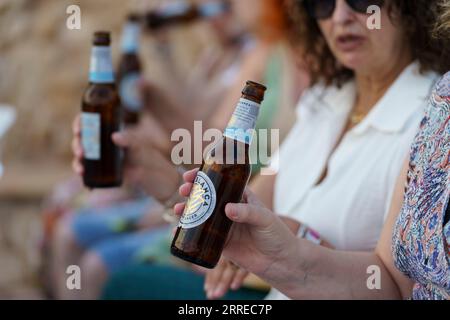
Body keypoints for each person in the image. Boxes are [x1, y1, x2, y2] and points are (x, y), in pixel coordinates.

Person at [100, 0, 449, 300]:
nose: (340, 16)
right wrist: (152, 175)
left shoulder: (430, 121)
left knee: (123, 283)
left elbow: (394, 286)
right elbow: (238, 208)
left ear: (411, 7)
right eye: (322, 3)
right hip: (267, 292)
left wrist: (295, 241)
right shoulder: (324, 100)